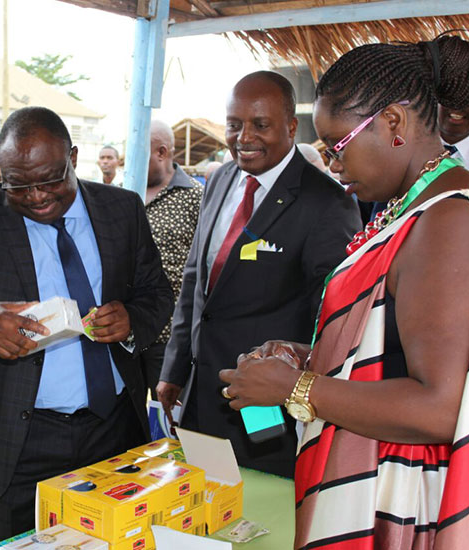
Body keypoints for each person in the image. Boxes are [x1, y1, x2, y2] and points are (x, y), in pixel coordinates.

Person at [220, 37, 469, 549]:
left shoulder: (450, 217)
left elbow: (442, 407)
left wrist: (296, 390)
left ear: (393, 122)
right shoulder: (413, 205)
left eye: (337, 147)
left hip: (403, 498)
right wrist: (311, 359)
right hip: (376, 468)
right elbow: (395, 348)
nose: (332, 165)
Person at [0, 106, 173, 542]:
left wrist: (131, 320)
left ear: (73, 157)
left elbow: (157, 293)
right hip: (14, 441)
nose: (36, 196)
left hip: (112, 431)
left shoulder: (121, 209)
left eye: (51, 180)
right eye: (19, 185)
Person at [157, 71, 361, 478]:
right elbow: (196, 282)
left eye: (260, 125)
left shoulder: (326, 203)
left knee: (262, 513)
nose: (243, 137)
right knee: (204, 505)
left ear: (290, 127)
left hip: (268, 411)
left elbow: (336, 319)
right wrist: (174, 370)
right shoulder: (219, 180)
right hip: (199, 394)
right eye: (234, 124)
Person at [141, 120, 203, 398]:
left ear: (162, 152)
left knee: (168, 420)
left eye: (139, 154)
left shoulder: (195, 198)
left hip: (170, 337)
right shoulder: (124, 194)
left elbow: (206, 267)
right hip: (127, 334)